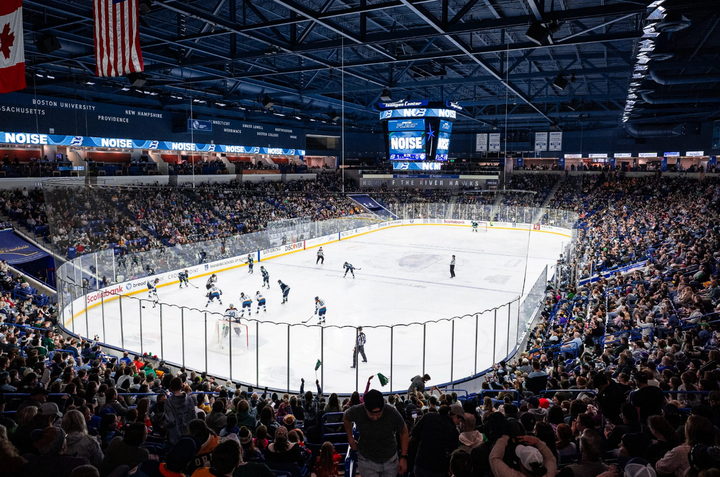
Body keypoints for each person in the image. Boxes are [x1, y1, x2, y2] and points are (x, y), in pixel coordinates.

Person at [343, 389, 409, 477]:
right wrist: (350, 439)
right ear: (365, 407)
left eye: (378, 414)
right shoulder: (357, 410)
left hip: (390, 460)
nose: (375, 418)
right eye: (371, 414)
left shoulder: (392, 412)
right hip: (367, 460)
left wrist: (403, 457)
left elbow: (404, 431)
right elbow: (346, 417)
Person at [411, 403, 463, 477]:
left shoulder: (429, 416)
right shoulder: (453, 431)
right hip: (439, 470)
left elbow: (414, 434)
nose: (458, 424)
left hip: (421, 464)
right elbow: (452, 453)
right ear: (455, 416)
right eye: (459, 421)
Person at [489, 435, 557, 477]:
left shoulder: (511, 475)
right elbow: (550, 458)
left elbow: (494, 458)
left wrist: (504, 437)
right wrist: (537, 442)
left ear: (521, 465)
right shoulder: (549, 474)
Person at [165, 377, 196, 445]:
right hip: (189, 433)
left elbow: (170, 420)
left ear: (171, 388)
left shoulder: (169, 402)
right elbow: (194, 415)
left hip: (175, 436)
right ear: (182, 387)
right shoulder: (190, 399)